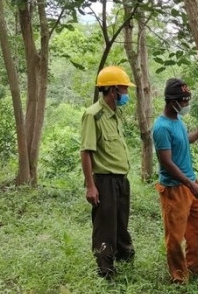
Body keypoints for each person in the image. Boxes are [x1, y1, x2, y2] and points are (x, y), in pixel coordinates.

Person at [152, 78, 198, 284]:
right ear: (173, 102)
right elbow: (166, 162)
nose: (187, 105)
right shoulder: (161, 127)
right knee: (175, 237)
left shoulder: (178, 121)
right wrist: (191, 185)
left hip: (190, 182)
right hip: (175, 188)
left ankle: (196, 268)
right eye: (184, 101)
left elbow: (184, 140)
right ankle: (179, 277)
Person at [80, 66, 136, 279]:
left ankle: (124, 256)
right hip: (104, 180)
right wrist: (90, 185)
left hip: (121, 180)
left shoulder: (115, 114)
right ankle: (105, 269)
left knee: (121, 222)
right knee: (105, 226)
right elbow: (86, 151)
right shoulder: (93, 115)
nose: (126, 94)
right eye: (124, 89)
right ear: (113, 90)